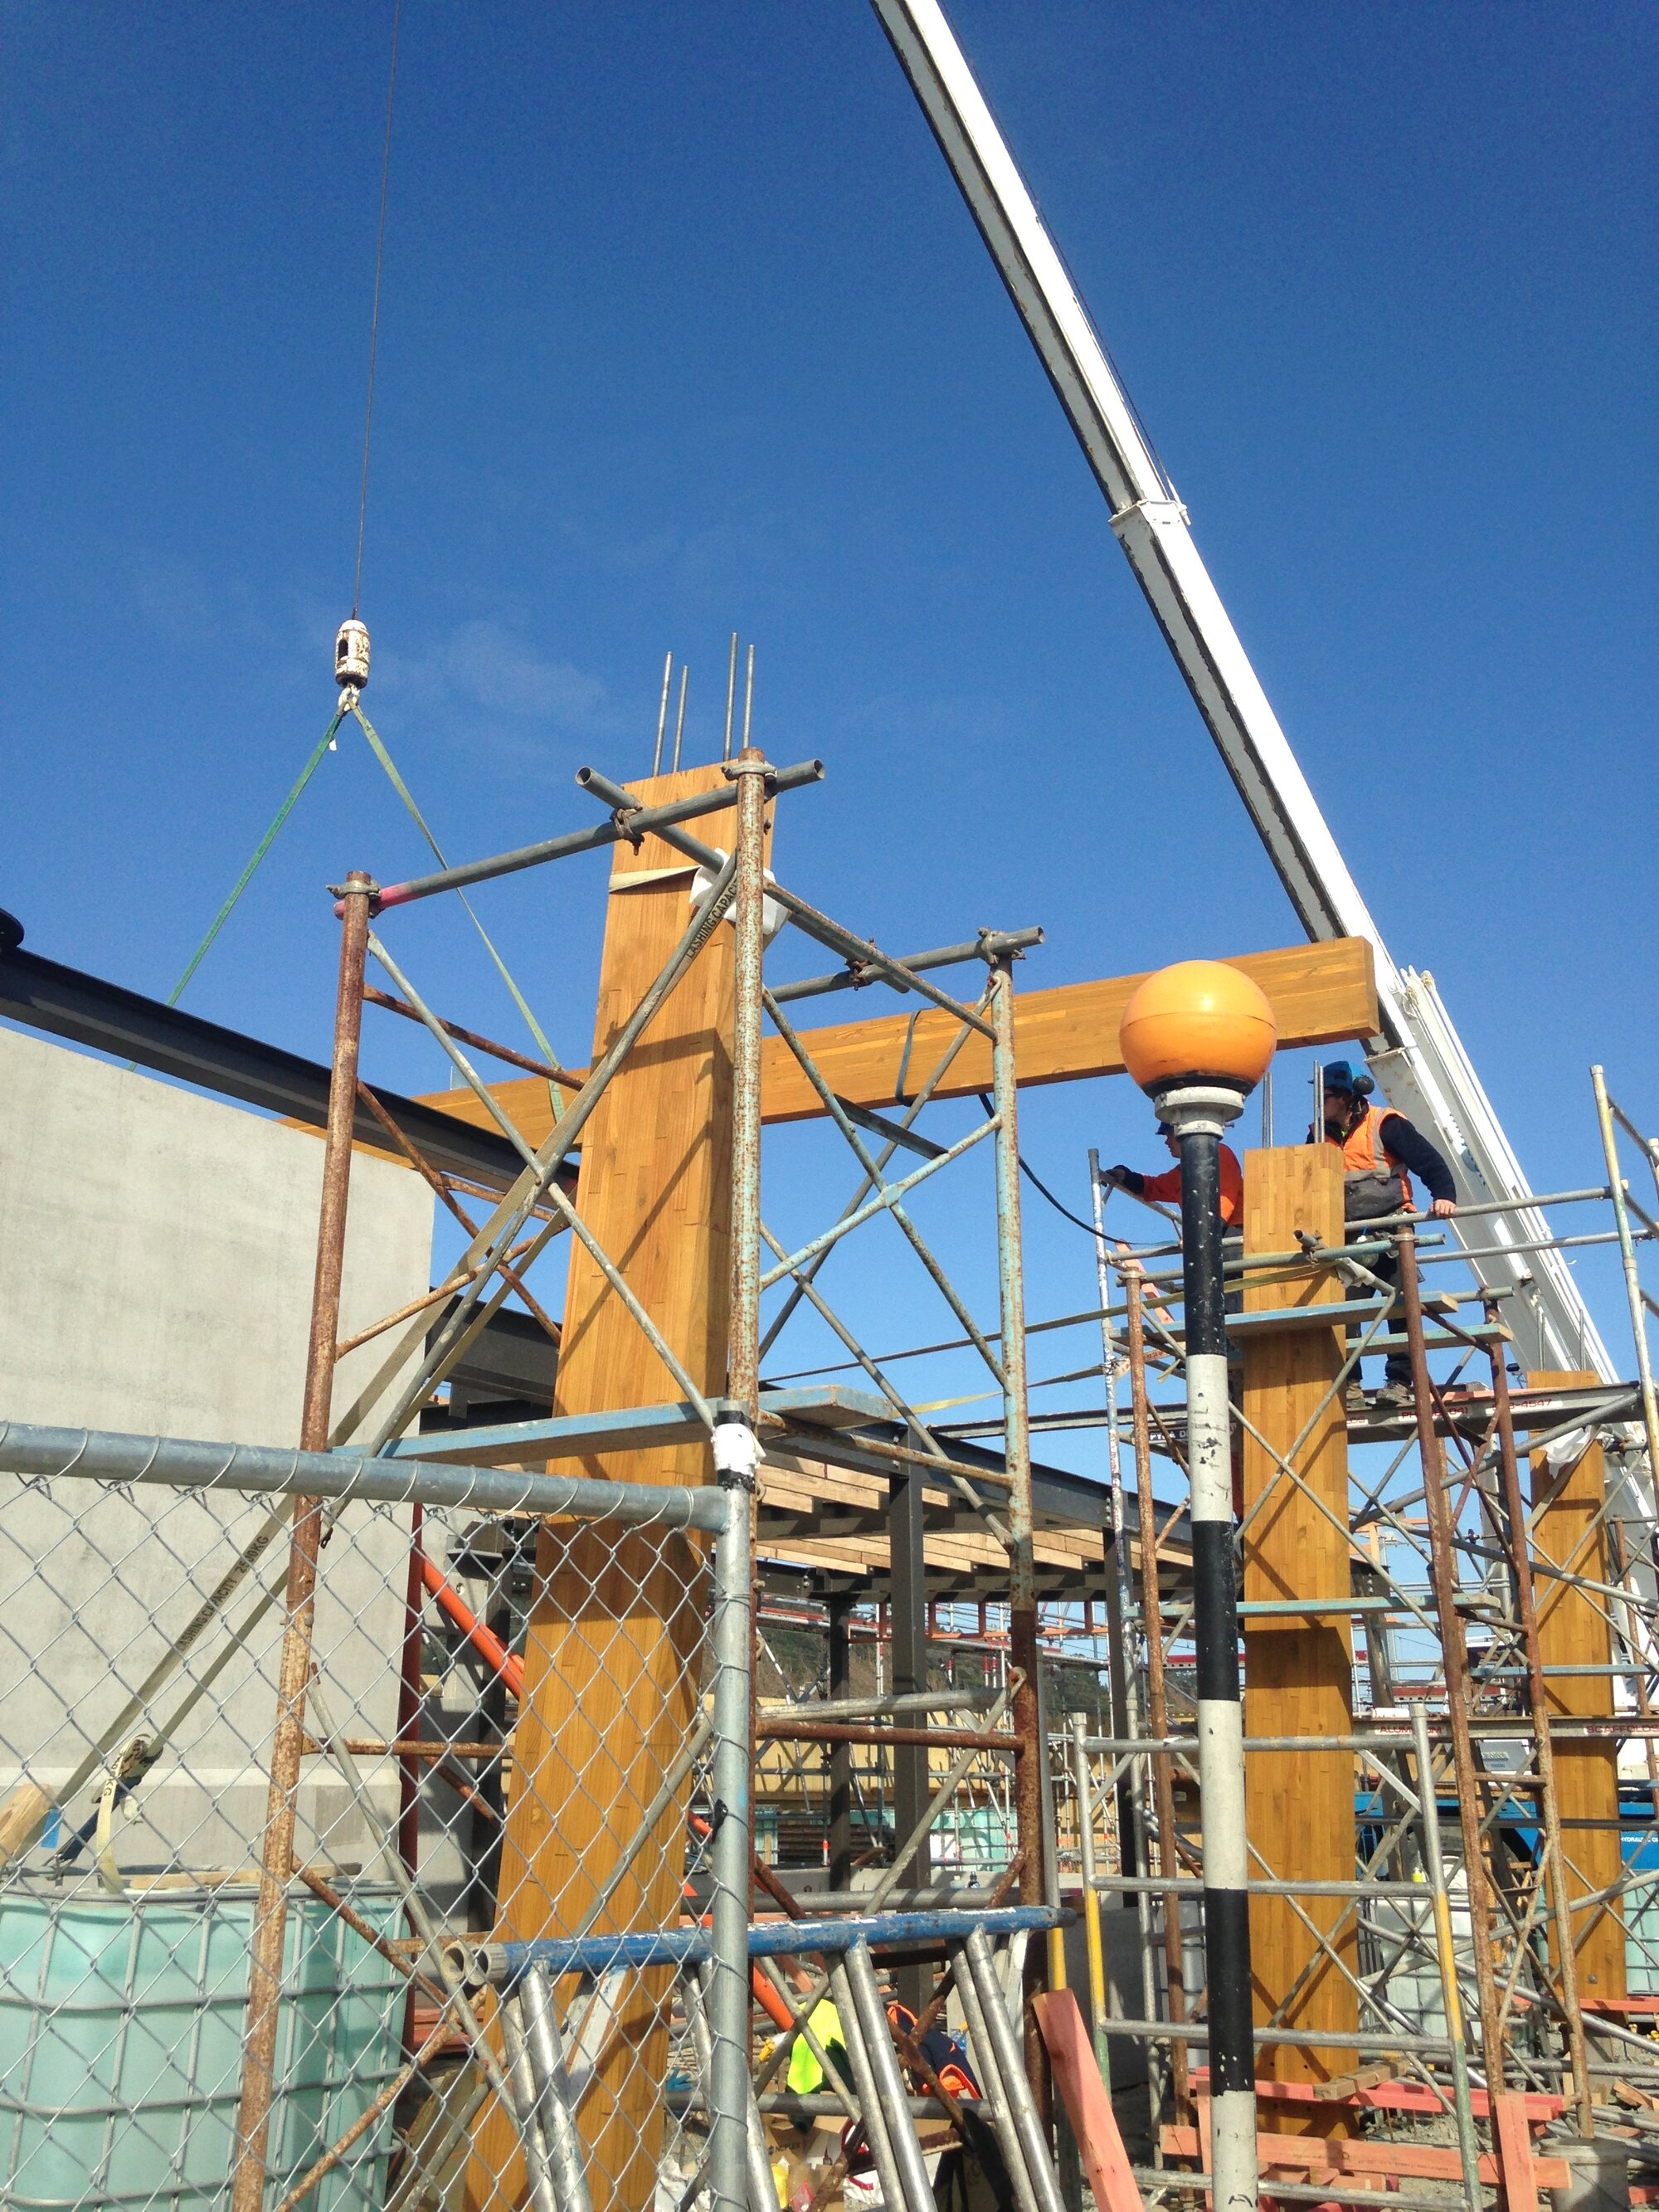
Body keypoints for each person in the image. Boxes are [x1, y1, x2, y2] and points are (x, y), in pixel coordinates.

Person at [1312, 1060, 1457, 1409]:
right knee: (1345, 1311)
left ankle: (1399, 1382)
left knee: (1399, 1305)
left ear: (1347, 1097)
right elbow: (1307, 1181)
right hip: (1346, 1233)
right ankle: (1351, 1385)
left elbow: (1429, 1160)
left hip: (1392, 1228)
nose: (1321, 1103)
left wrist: (1444, 1196)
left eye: (1327, 1095)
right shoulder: (1318, 1134)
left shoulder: (1384, 1123)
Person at [1102, 1121, 1244, 1226]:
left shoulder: (1217, 1153)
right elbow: (1153, 1187)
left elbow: (1224, 1197)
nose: (1166, 1142)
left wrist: (1202, 1234)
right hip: (1210, 1234)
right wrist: (1125, 1176)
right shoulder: (1182, 1173)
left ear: (1181, 1133)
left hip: (1237, 1234)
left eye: (1169, 1135)